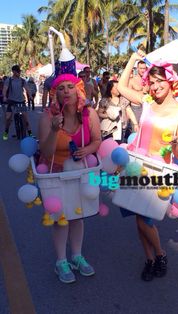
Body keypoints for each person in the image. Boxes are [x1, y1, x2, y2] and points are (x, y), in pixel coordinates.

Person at [117, 51, 178, 281]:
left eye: (160, 81)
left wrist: (175, 142)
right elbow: (121, 87)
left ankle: (160, 255)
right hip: (135, 165)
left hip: (159, 171)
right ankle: (150, 259)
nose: (156, 86)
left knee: (144, 218)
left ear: (170, 81)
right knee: (138, 218)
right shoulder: (147, 102)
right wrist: (132, 60)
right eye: (152, 81)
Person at [39, 73, 101, 283]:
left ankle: (76, 256)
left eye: (70, 86)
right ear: (56, 94)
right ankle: (61, 261)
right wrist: (55, 130)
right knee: (62, 218)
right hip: (55, 171)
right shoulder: (48, 117)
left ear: (79, 90)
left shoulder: (89, 114)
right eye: (61, 88)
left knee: (79, 215)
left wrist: (88, 150)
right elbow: (46, 152)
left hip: (81, 170)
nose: (66, 91)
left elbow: (97, 140)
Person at [2, 65, 32, 140]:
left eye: (19, 71)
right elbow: (4, 90)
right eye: (17, 71)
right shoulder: (9, 80)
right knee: (8, 118)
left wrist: (30, 96)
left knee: (25, 118)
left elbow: (27, 89)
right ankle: (6, 132)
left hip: (21, 101)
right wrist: (5, 96)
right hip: (11, 101)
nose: (19, 73)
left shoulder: (22, 80)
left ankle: (30, 133)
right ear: (13, 72)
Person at [128, 60, 149, 128]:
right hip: (135, 108)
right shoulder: (132, 80)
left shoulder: (149, 80)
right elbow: (127, 96)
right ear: (137, 68)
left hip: (147, 107)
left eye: (144, 68)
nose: (143, 70)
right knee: (136, 131)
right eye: (141, 68)